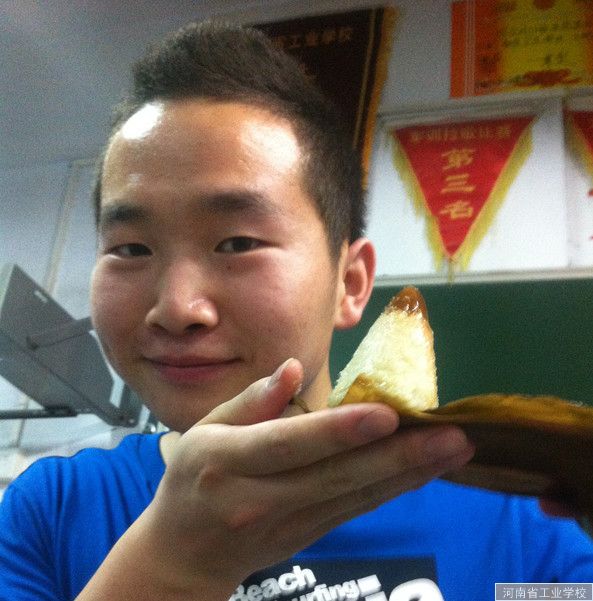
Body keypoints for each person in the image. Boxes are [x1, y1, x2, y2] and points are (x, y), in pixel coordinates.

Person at [1, 19, 592, 601]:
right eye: (131, 249)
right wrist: (168, 569)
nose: (178, 309)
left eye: (238, 242)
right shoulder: (48, 514)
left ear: (350, 284)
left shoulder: (522, 520)